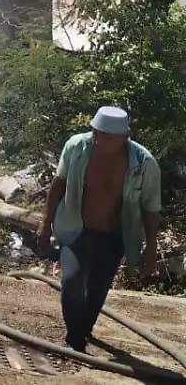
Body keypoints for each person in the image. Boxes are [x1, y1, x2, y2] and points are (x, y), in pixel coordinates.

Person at [37, 106, 162, 353]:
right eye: (96, 132)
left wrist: (151, 247)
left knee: (98, 287)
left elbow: (150, 208)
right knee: (71, 280)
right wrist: (45, 223)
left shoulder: (144, 164)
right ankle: (74, 337)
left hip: (114, 236)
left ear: (124, 138)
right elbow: (58, 183)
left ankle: (84, 330)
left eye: (106, 135)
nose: (98, 139)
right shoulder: (76, 148)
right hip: (76, 229)